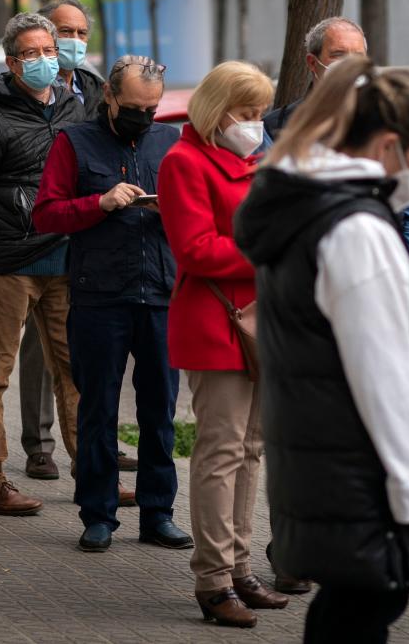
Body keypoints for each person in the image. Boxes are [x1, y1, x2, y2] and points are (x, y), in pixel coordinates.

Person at [235, 57, 409, 642]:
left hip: (325, 465)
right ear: (387, 145)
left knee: (345, 617)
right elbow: (389, 381)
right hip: (363, 474)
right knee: (358, 616)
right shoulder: (358, 231)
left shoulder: (305, 209)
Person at [32, 54, 188, 552]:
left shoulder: (171, 141)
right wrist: (98, 203)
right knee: (97, 408)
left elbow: (198, 213)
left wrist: (176, 209)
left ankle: (158, 512)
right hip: (99, 295)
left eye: (153, 106)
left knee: (159, 409)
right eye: (136, 106)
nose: (145, 115)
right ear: (110, 97)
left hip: (161, 295)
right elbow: (47, 214)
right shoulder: (74, 143)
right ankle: (97, 514)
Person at [155, 61, 289, 628]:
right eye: (248, 113)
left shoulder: (254, 162)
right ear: (218, 110)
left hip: (259, 318)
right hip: (216, 320)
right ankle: (212, 580)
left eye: (261, 113)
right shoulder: (182, 161)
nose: (256, 124)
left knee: (251, 449)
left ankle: (239, 565)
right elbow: (195, 249)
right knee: (221, 452)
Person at [0, 12, 83, 516]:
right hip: (12, 266)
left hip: (67, 261)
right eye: (32, 53)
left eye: (50, 50)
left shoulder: (73, 109)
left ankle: (93, 476)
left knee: (76, 373)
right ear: (11, 62)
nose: (46, 59)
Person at [18, 0, 118, 483]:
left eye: (80, 33)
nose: (72, 42)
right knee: (41, 348)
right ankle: (39, 445)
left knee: (88, 345)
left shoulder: (97, 90)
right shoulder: (24, 91)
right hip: (40, 234)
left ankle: (97, 445)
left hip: (88, 230)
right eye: (63, 32)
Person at [263, 17, 409, 270]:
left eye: (358, 56)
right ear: (313, 63)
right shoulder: (278, 127)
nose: (350, 65)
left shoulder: (388, 121)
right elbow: (270, 213)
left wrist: (401, 271)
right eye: (338, 55)